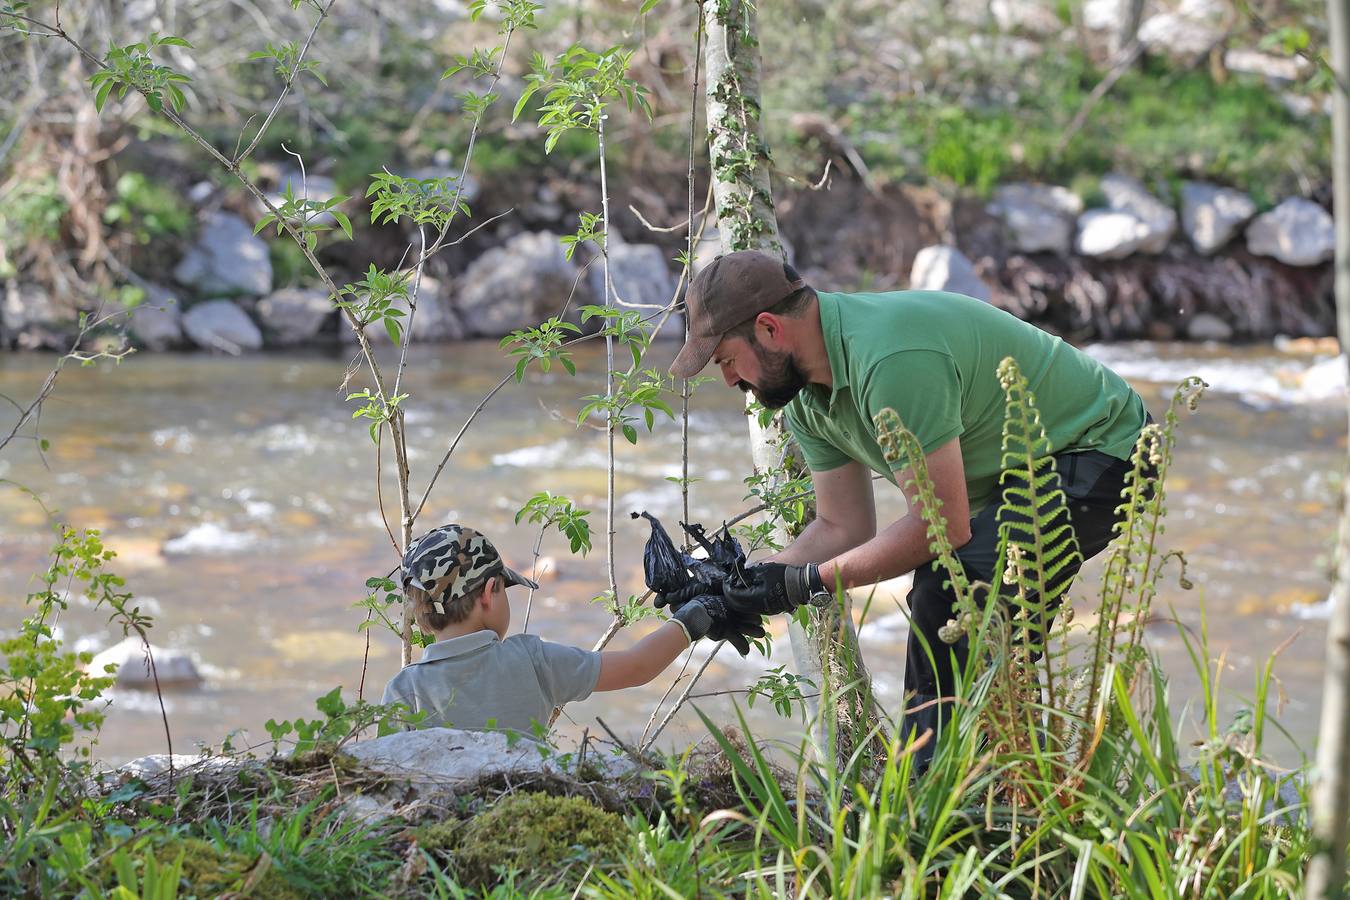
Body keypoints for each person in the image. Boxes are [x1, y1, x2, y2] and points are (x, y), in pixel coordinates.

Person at [665, 250, 1150, 767]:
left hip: (1105, 452)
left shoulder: (890, 360)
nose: (729, 381)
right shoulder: (807, 398)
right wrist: (741, 589)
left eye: (725, 361)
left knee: (955, 587)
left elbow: (944, 527)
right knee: (970, 608)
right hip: (1022, 475)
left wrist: (806, 583)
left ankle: (936, 799)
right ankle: (998, 792)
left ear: (768, 330)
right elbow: (841, 525)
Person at [382, 524, 733, 734]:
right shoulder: (532, 661)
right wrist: (696, 616)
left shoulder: (404, 688)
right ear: (491, 594)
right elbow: (638, 666)